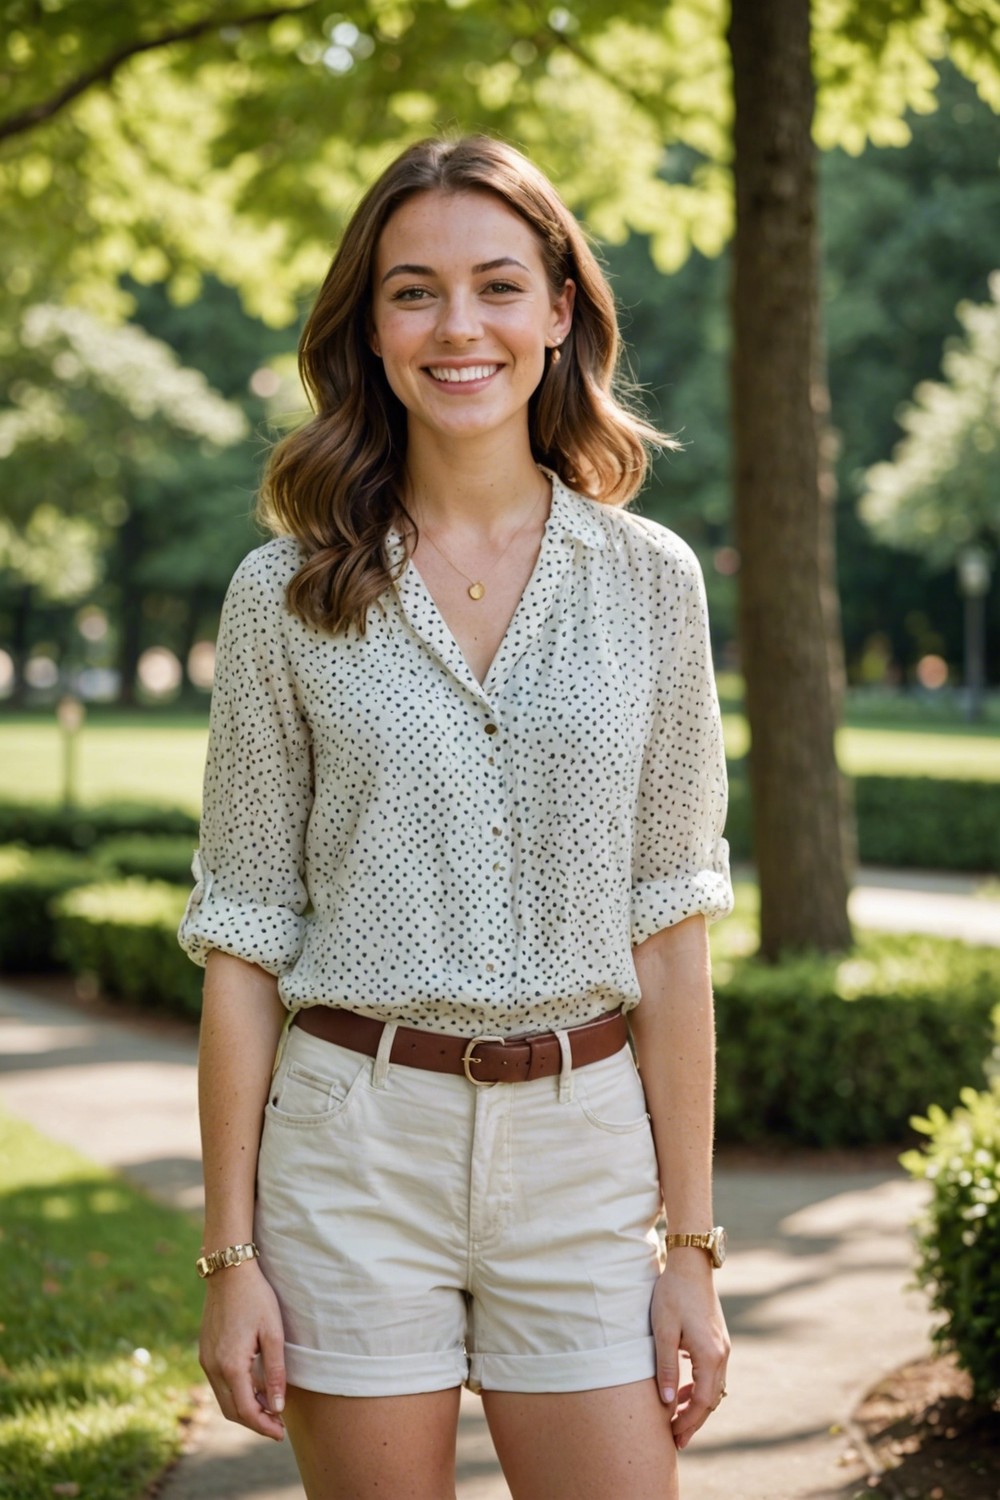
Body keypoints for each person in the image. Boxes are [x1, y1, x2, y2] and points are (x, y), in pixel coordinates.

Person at [177, 133, 734, 1500]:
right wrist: (232, 1258)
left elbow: (671, 935)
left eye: (497, 284)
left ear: (560, 311)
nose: (458, 326)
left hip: (584, 1156)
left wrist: (694, 1253)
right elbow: (244, 942)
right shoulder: (286, 596)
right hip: (351, 1153)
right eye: (413, 291)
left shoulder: (652, 582)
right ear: (368, 332)